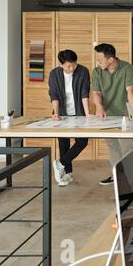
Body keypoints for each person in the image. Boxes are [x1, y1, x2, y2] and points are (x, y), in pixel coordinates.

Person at [91, 43, 133, 186]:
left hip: (124, 114)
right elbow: (96, 92)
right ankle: (116, 176)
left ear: (110, 59)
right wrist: (99, 107)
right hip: (107, 115)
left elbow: (130, 91)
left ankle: (131, 178)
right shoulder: (97, 72)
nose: (98, 62)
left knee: (127, 147)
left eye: (100, 60)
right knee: (113, 147)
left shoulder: (127, 68)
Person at [48, 49, 91, 187]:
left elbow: (85, 92)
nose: (72, 68)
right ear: (61, 65)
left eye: (74, 65)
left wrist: (88, 113)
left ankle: (60, 163)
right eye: (68, 66)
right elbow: (54, 94)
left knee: (82, 141)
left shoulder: (83, 71)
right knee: (64, 143)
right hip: (62, 113)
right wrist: (56, 112)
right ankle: (67, 173)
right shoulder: (54, 74)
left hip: (79, 112)